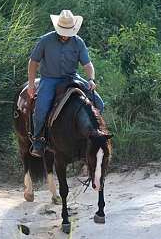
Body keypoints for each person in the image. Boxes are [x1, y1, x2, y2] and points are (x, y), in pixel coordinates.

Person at [27, 9, 104, 157]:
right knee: (41, 108)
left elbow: (87, 64)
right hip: (49, 79)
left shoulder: (78, 42)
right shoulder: (45, 40)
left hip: (72, 77)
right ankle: (38, 141)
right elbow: (33, 61)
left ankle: (94, 137)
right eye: (63, 31)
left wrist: (91, 79)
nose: (65, 34)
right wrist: (31, 84)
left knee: (99, 104)